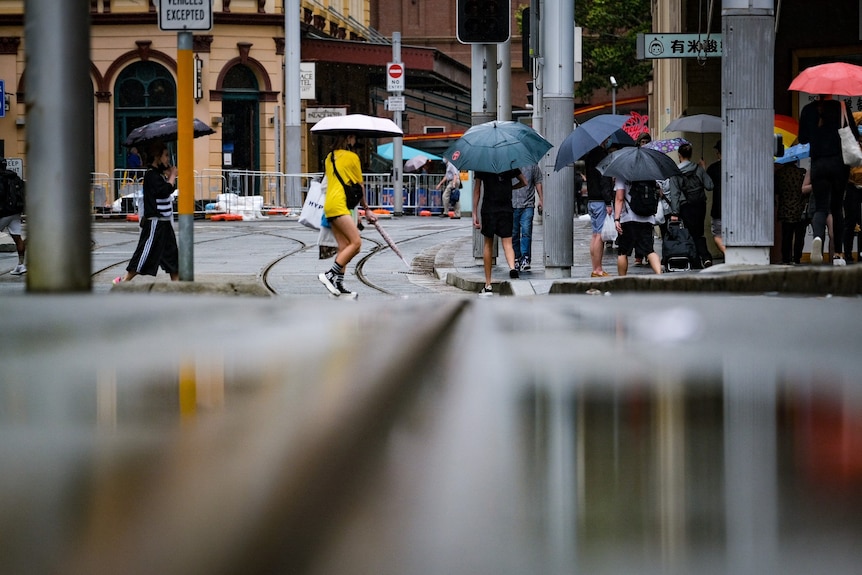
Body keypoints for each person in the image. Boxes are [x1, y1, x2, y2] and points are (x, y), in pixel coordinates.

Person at [318, 133, 377, 298]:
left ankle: (338, 284)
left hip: (329, 205)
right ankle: (330, 275)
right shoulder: (352, 157)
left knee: (344, 246)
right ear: (349, 138)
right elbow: (360, 185)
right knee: (356, 243)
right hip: (340, 205)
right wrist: (367, 209)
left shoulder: (329, 157)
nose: (355, 141)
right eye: (353, 138)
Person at [798, 94, 854, 265]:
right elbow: (852, 134)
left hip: (818, 164)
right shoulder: (841, 108)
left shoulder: (808, 110)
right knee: (836, 208)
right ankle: (838, 254)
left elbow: (803, 139)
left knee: (821, 207)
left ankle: (817, 238)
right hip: (839, 163)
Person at [113, 142, 179, 284]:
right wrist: (172, 176)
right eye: (166, 155)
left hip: (165, 223)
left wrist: (169, 175)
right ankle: (124, 280)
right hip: (155, 222)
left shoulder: (159, 175)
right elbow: (163, 191)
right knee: (145, 253)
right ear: (157, 157)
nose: (168, 159)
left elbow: (169, 188)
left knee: (172, 257)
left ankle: (178, 284)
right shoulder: (151, 175)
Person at [473, 168, 527, 295]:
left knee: (488, 244)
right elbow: (524, 181)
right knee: (508, 243)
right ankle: (512, 268)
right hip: (506, 208)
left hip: (489, 208)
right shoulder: (508, 162)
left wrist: (474, 213)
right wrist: (511, 188)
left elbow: (477, 190)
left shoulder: (482, 164)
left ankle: (488, 285)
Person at [666, 142, 714, 268]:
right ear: (690, 155)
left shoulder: (675, 173)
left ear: (679, 155)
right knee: (699, 233)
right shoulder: (698, 169)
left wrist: (674, 213)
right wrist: (703, 169)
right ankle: (705, 257)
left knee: (689, 234)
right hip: (700, 205)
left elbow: (675, 194)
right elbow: (710, 186)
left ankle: (697, 260)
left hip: (685, 206)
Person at [612, 177, 662, 276]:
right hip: (646, 217)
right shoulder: (648, 174)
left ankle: (621, 280)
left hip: (628, 219)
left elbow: (619, 198)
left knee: (623, 252)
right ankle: (660, 275)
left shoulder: (622, 176)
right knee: (649, 250)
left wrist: (617, 219)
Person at [583, 145, 614, 277]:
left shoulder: (589, 155)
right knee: (600, 236)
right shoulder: (603, 156)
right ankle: (598, 269)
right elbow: (604, 181)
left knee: (595, 235)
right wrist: (608, 202)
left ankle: (595, 268)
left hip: (591, 200)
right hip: (601, 201)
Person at [774, 160, 809, 264]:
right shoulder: (802, 172)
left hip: (786, 210)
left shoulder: (780, 174)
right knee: (799, 236)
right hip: (799, 209)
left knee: (786, 236)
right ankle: (797, 257)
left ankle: (786, 258)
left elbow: (776, 190)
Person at [512, 163, 543, 271]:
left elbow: (538, 181)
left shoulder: (532, 165)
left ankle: (525, 257)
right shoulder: (509, 164)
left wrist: (541, 199)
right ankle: (516, 258)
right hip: (512, 204)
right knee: (514, 233)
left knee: (526, 231)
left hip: (528, 204)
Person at [0, 159, 26, 275]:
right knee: (17, 238)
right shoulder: (14, 177)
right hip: (15, 212)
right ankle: (21, 265)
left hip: (3, 212)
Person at [634, 132, 653, 264]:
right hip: (637, 194)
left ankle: (648, 253)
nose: (645, 144)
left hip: (649, 195)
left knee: (647, 227)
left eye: (647, 142)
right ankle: (639, 255)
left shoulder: (653, 158)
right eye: (642, 142)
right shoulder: (635, 157)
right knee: (637, 227)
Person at [706, 140, 725, 256]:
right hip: (734, 209)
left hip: (718, 208)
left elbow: (708, 185)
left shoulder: (713, 168)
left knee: (718, 235)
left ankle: (727, 254)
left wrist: (703, 169)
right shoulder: (736, 166)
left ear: (718, 153)